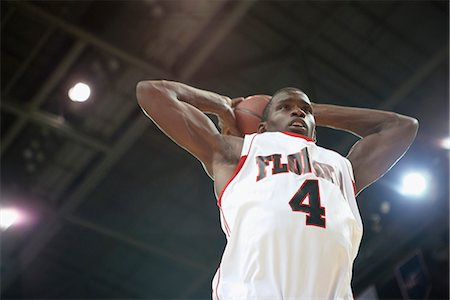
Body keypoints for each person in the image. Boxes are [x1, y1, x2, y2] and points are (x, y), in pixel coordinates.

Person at [136, 80, 418, 299]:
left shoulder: (343, 167)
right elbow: (151, 92)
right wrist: (221, 104)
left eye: (304, 111)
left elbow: (402, 127)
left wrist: (310, 109)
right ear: (261, 127)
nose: (298, 111)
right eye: (285, 108)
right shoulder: (237, 151)